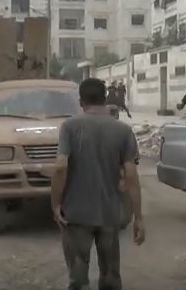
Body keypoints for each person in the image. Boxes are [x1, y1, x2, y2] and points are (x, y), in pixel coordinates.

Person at [51, 78, 145, 290]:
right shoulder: (122, 130)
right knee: (111, 277)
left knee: (78, 278)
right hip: (110, 214)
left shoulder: (70, 127)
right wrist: (138, 217)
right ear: (104, 99)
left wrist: (55, 204)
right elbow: (131, 176)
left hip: (76, 214)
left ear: (81, 101)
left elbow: (60, 167)